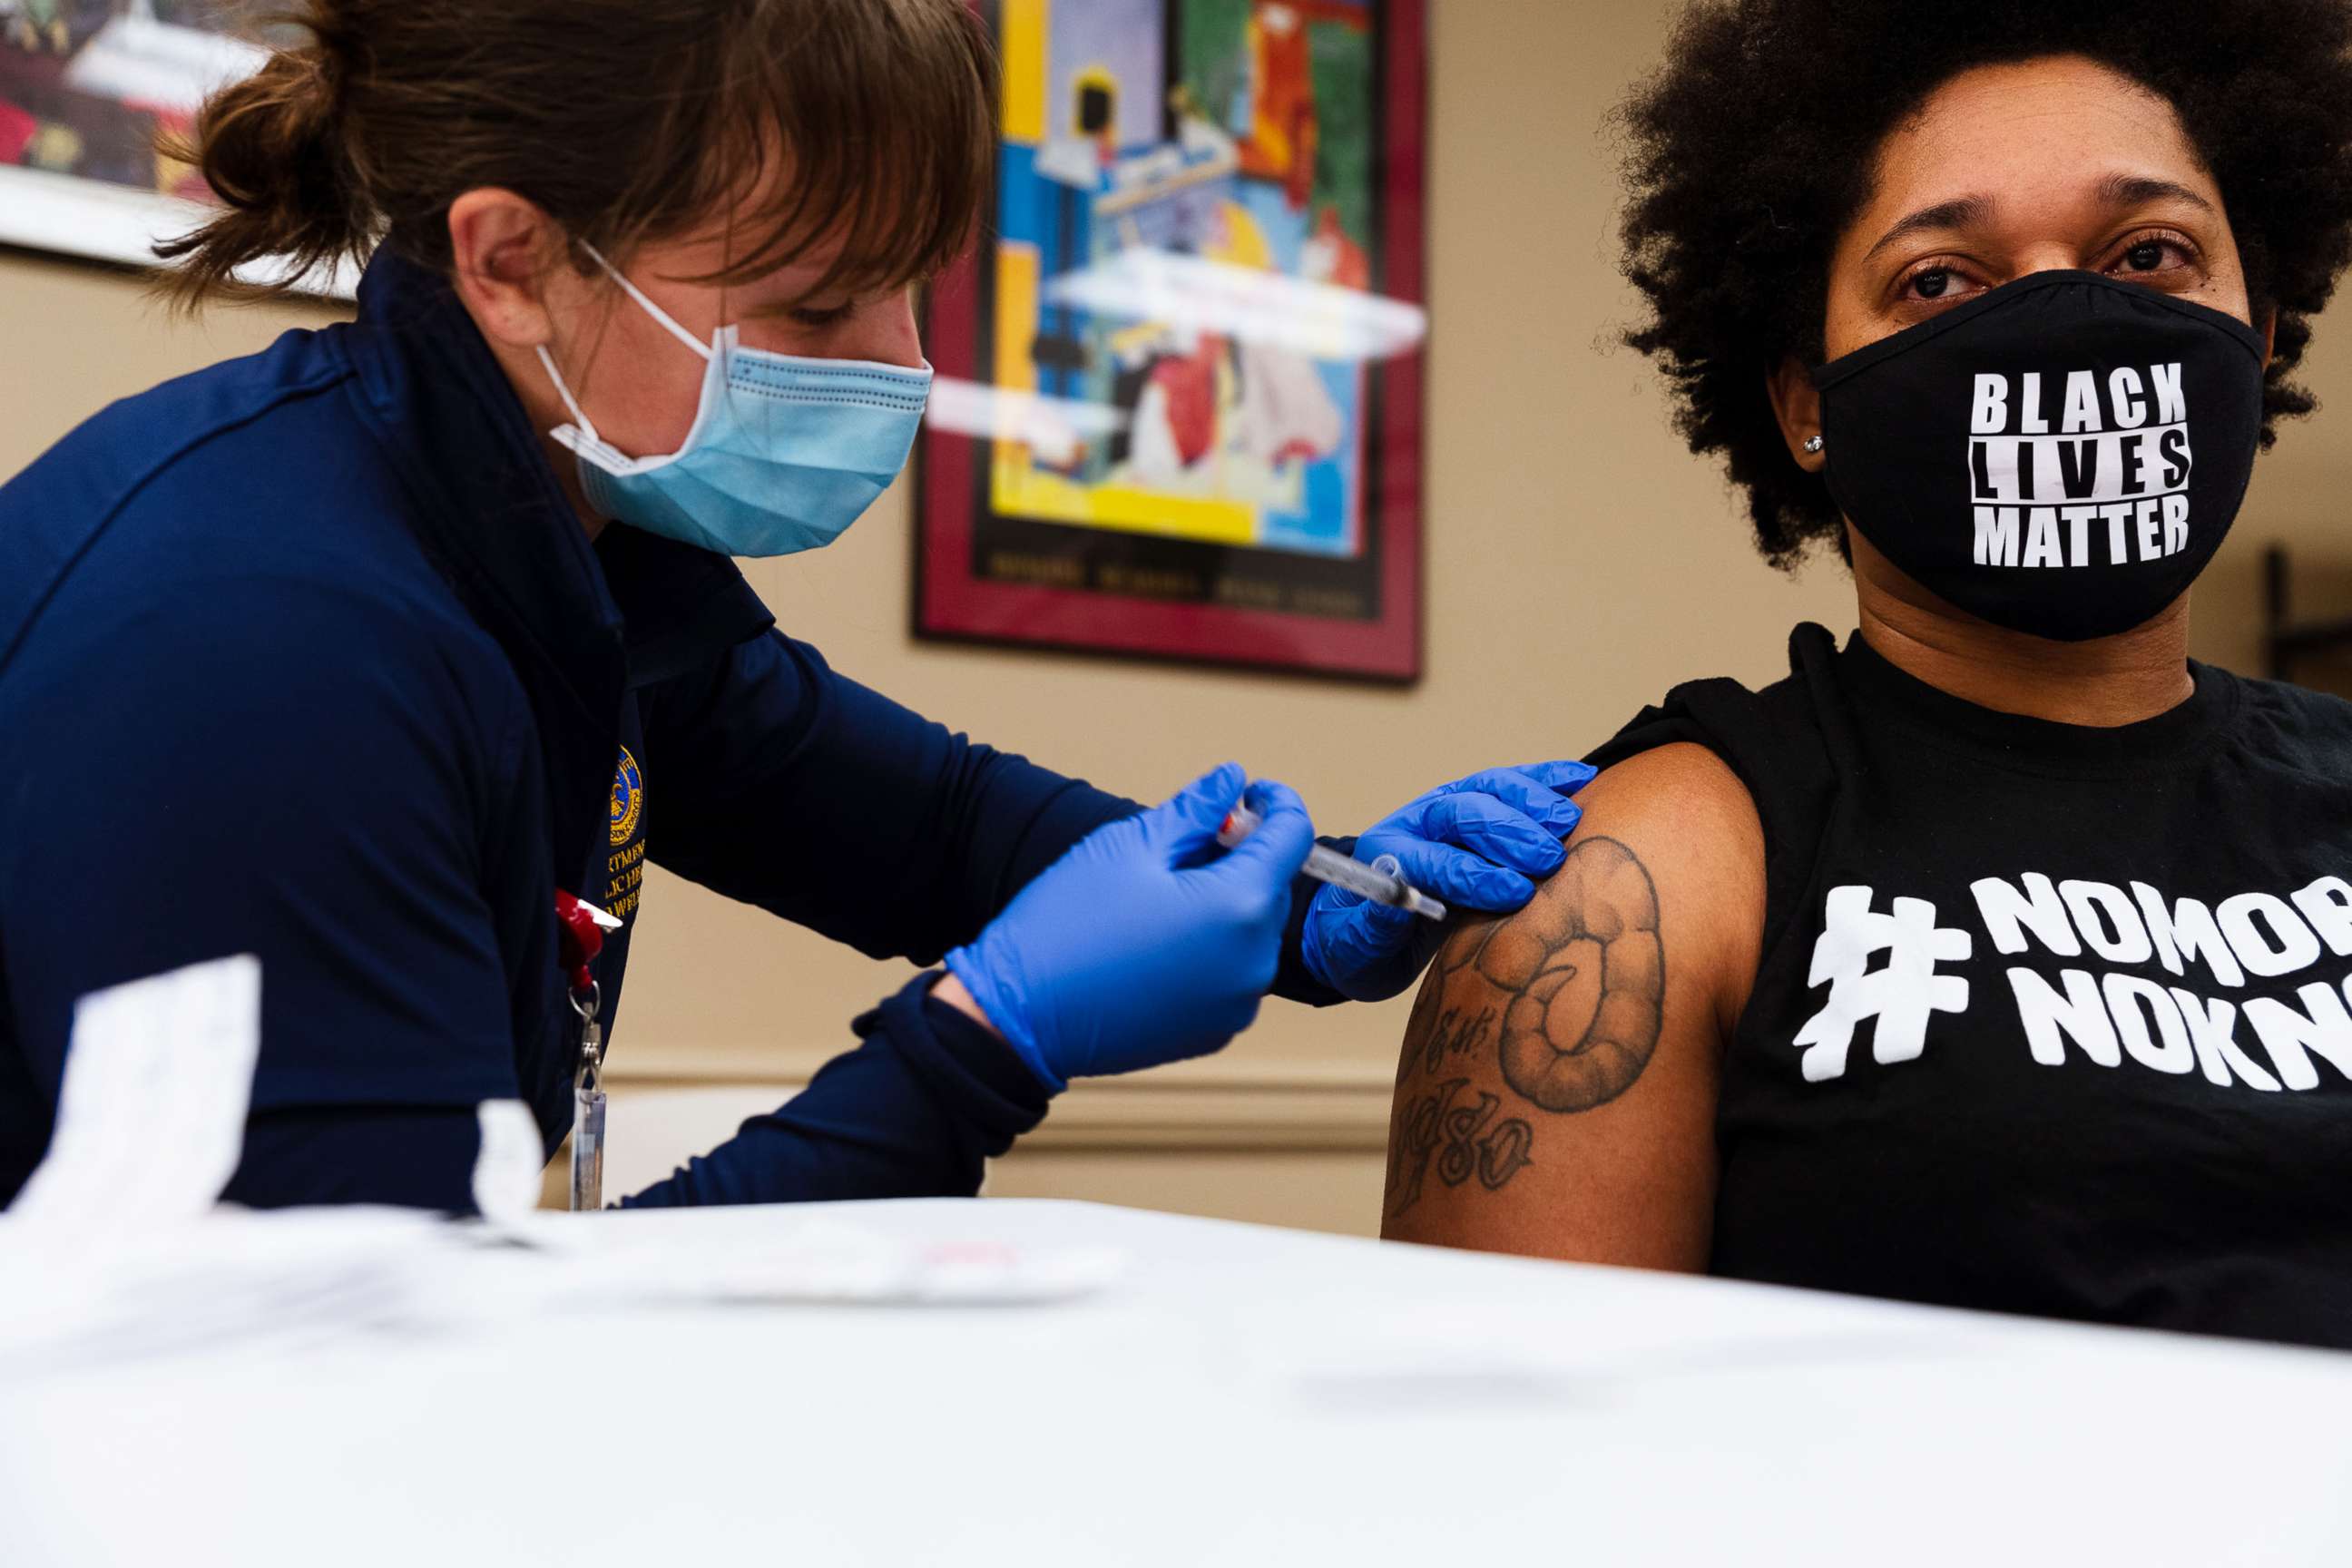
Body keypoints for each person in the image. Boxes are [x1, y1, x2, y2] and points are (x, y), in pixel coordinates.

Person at [0, 0, 1597, 1212]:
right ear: (511, 260)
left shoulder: (566, 545)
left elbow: (927, 828)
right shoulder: (267, 655)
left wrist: (1306, 909)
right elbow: (378, 1404)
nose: (901, 363)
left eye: (914, 285)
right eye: (815, 301)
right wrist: (986, 1040)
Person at [1384, 0, 2352, 1349]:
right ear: (1806, 402)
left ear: (2256, 332)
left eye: (2150, 253)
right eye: (1942, 280)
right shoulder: (1657, 868)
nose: (2070, 320)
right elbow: (1504, 1483)